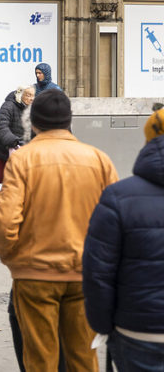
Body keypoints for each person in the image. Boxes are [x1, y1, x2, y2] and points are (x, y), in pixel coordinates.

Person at [0, 89, 117, 372]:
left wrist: (14, 259)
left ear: (32, 122)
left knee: (40, 360)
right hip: (85, 274)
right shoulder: (98, 159)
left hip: (34, 274)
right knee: (84, 358)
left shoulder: (22, 160)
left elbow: (5, 220)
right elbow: (114, 222)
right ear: (69, 121)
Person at [83, 107, 164, 370]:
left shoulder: (118, 197)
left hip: (138, 331)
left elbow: (98, 272)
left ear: (147, 140)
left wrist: (104, 325)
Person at [0, 85, 34, 213]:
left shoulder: (31, 110)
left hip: (20, 149)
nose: (31, 98)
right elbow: (2, 126)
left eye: (33, 95)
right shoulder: (8, 106)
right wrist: (12, 140)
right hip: (2, 149)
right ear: (21, 95)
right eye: (28, 95)